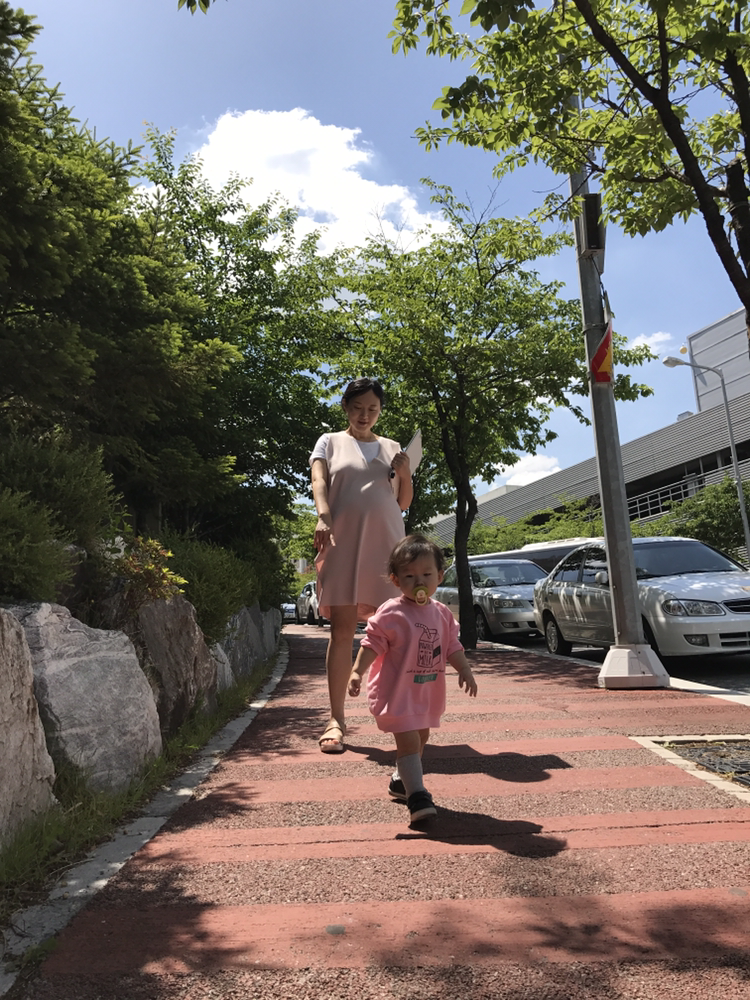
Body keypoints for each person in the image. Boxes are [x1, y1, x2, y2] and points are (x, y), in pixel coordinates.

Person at [310, 377, 414, 753]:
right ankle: (336, 719)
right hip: (341, 539)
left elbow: (402, 503)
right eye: (357, 408)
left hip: (386, 542)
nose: (364, 415)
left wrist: (405, 472)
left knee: (393, 630)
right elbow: (319, 480)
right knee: (342, 630)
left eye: (372, 409)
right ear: (345, 408)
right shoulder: (329, 441)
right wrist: (323, 516)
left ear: (380, 410)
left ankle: (399, 715)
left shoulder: (393, 448)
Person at [347, 534, 478, 826]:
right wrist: (357, 671)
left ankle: (400, 781)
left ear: (440, 576)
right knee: (408, 742)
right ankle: (418, 797)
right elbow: (373, 643)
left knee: (421, 737)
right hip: (398, 693)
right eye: (409, 576)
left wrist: (465, 670)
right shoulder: (392, 611)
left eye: (426, 574)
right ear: (396, 580)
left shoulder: (442, 613)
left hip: (426, 691)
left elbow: (452, 646)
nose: (419, 581)